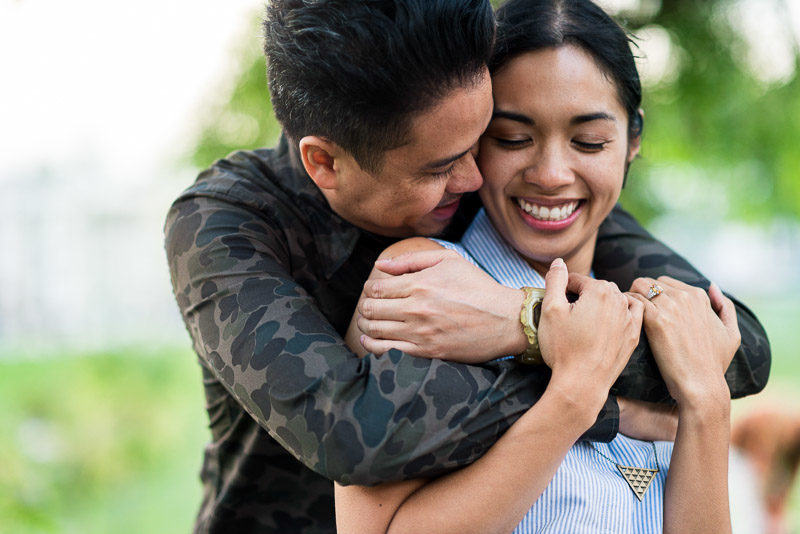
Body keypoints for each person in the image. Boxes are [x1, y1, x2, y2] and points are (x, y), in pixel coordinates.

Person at [163, 0, 770, 532]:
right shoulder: (230, 225)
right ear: (325, 163)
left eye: (482, 138)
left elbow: (736, 347)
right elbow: (352, 430)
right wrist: (590, 389)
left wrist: (513, 319)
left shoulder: (506, 193)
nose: (475, 178)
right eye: (441, 166)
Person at [335, 0, 744, 532]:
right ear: (472, 140)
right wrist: (572, 398)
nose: (551, 174)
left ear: (633, 141)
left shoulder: (659, 321)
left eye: (589, 141)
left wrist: (707, 404)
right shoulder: (421, 284)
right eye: (512, 138)